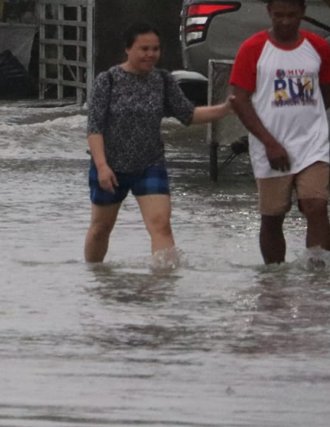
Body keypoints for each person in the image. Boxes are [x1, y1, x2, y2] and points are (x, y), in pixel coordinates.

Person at [84, 22, 230, 263]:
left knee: (161, 225)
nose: (151, 55)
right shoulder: (107, 80)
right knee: (100, 229)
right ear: (128, 49)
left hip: (150, 164)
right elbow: (94, 128)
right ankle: (94, 277)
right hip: (110, 166)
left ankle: (163, 286)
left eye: (155, 49)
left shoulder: (163, 80)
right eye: (144, 49)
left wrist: (225, 109)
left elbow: (188, 115)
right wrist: (102, 167)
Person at [228, 0, 330, 265]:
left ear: (303, 13)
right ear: (269, 12)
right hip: (269, 146)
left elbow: (329, 92)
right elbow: (240, 100)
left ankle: (317, 273)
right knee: (273, 216)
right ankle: (275, 280)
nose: (285, 21)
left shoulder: (318, 48)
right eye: (279, 15)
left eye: (291, 15)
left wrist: (307, 117)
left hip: (312, 144)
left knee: (316, 205)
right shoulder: (253, 49)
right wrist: (269, 142)